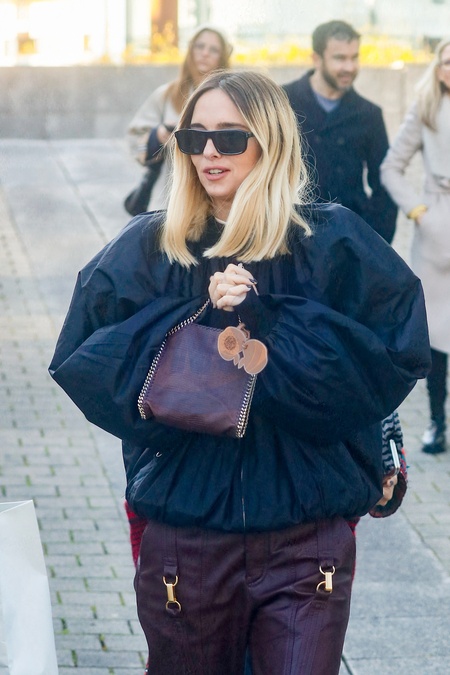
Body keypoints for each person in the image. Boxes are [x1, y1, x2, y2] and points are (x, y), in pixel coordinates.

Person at [49, 70, 430, 675]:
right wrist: (199, 324)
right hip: (188, 537)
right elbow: (85, 361)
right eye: (193, 137)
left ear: (270, 141)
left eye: (229, 137)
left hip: (307, 540)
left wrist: (266, 322)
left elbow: (388, 359)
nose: (208, 152)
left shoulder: (331, 241)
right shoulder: (152, 247)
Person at [381, 37, 450, 455]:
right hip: (437, 231)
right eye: (447, 61)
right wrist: (419, 211)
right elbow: (391, 167)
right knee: (437, 332)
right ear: (438, 68)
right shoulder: (425, 109)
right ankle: (436, 422)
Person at [283, 20, 398, 243]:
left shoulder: (368, 113)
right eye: (340, 58)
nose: (349, 67)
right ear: (316, 59)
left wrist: (372, 242)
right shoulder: (283, 102)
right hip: (291, 236)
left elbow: (383, 183)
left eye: (354, 57)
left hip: (347, 239)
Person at [126, 25, 232, 212]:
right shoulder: (167, 94)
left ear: (222, 56)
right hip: (171, 198)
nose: (205, 53)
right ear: (190, 50)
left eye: (213, 49)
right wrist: (158, 135)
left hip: (220, 200)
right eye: (200, 46)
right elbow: (135, 137)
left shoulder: (233, 97)